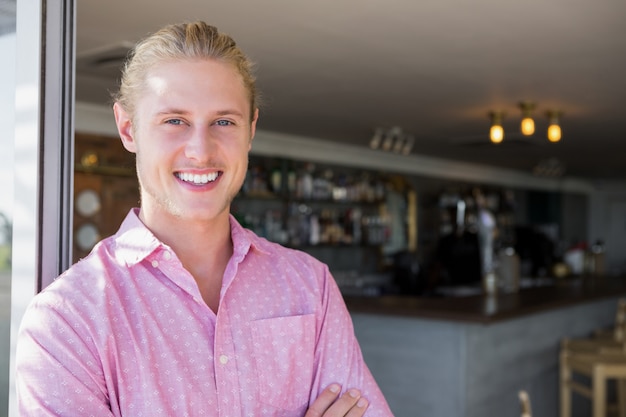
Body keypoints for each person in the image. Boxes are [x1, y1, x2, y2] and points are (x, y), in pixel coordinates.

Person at [15, 21, 393, 416]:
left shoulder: (309, 286)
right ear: (128, 129)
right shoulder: (67, 320)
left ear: (251, 130)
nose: (200, 150)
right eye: (174, 120)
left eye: (224, 122)